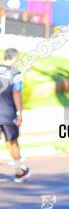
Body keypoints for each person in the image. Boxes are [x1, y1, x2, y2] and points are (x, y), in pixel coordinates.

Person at [0, 48, 29, 182]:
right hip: (7, 114)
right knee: (12, 142)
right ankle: (18, 172)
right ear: (15, 58)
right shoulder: (16, 73)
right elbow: (16, 92)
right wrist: (19, 113)